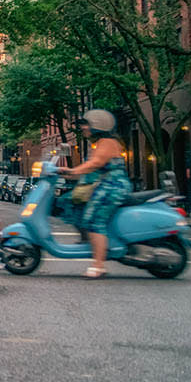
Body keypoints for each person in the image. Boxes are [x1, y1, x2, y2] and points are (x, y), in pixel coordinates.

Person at [60, 109, 132, 278]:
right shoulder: (102, 143)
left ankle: (98, 265)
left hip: (113, 186)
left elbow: (96, 163)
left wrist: (72, 171)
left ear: (98, 125)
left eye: (86, 124)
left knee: (94, 220)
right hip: (108, 184)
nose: (84, 128)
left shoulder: (107, 142)